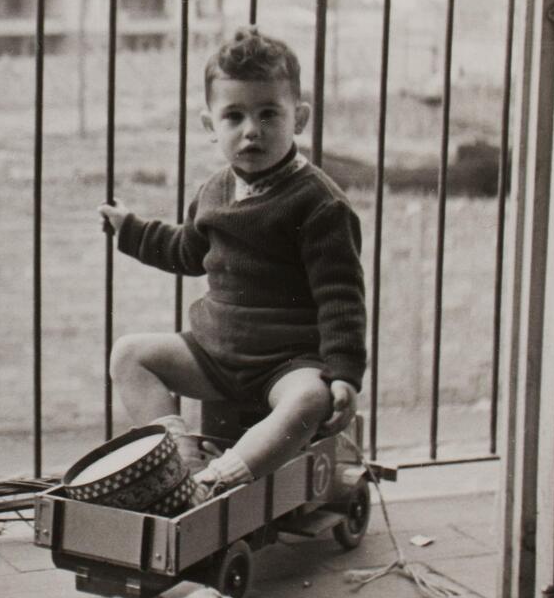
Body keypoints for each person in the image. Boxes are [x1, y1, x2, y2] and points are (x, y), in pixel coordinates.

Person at [99, 26, 366, 505]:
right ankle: (179, 465)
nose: (251, 130)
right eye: (234, 116)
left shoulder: (319, 204)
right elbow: (186, 251)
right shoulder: (214, 191)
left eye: (269, 113)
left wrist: (344, 373)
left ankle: (219, 481)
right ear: (210, 125)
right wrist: (131, 230)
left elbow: (341, 297)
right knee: (129, 354)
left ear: (299, 118)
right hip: (214, 353)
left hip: (286, 363)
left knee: (311, 398)